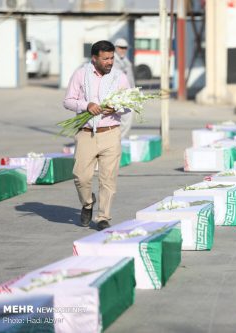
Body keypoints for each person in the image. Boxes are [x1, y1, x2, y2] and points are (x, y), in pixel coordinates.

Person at [63, 40, 130, 231]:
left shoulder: (120, 77)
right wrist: (86, 106)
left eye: (112, 58)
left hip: (110, 133)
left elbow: (129, 104)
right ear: (94, 59)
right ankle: (87, 203)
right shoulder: (81, 74)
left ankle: (103, 217)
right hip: (86, 134)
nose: (110, 62)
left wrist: (116, 107)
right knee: (81, 176)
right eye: (105, 58)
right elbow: (68, 101)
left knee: (108, 179)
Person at [114, 38, 136, 139]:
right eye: (121, 48)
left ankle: (118, 139)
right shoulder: (112, 61)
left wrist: (134, 92)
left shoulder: (126, 62)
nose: (123, 50)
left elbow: (130, 79)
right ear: (116, 48)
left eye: (125, 48)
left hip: (126, 96)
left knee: (127, 118)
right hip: (115, 96)